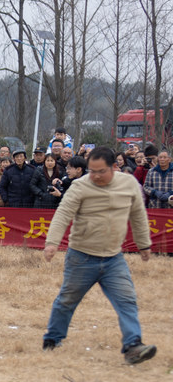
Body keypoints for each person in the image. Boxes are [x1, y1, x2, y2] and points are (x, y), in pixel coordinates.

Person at [42, 147, 155, 364]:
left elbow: (138, 215)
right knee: (67, 300)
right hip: (82, 257)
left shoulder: (129, 184)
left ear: (115, 167)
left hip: (113, 258)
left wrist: (144, 244)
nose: (94, 176)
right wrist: (52, 243)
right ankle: (53, 339)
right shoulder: (80, 186)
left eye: (100, 171)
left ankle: (133, 346)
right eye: (91, 171)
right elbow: (63, 213)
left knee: (127, 300)